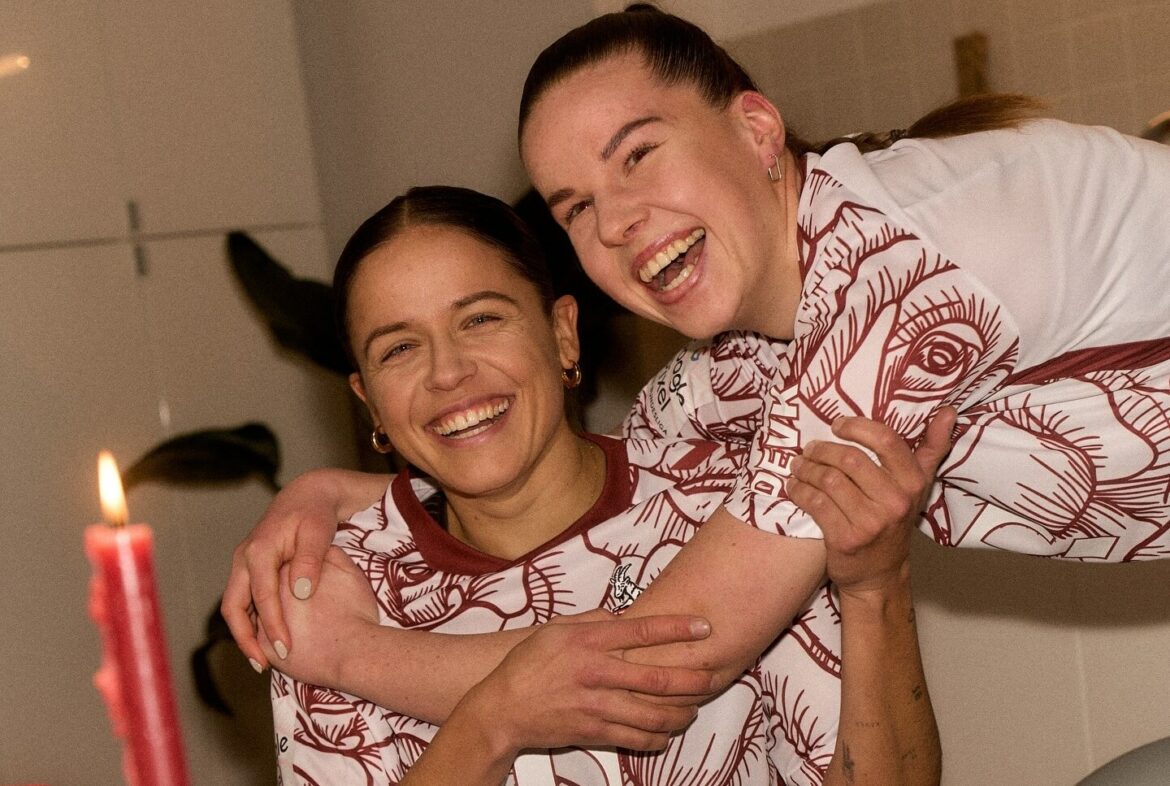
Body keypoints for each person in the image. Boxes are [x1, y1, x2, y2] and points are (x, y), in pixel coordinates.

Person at [227, 2, 1170, 774]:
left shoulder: (896, 259)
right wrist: (330, 494)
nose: (621, 223)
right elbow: (612, 466)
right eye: (578, 208)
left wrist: (351, 655)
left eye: (637, 155)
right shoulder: (746, 365)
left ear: (757, 129)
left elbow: (673, 657)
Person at [257, 185, 951, 784]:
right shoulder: (336, 597)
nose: (447, 373)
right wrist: (491, 723)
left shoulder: (724, 513)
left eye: (481, 319)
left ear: (563, 334)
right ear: (369, 400)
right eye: (399, 348)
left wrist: (875, 588)